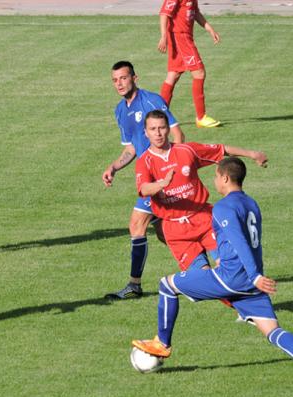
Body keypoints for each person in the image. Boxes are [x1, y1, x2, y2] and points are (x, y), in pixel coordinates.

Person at [132, 157, 293, 382]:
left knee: (167, 285)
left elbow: (239, 241)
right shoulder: (251, 203)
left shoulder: (222, 207)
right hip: (249, 284)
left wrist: (254, 275)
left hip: (231, 277)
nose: (214, 181)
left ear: (225, 178)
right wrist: (254, 276)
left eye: (216, 176)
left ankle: (162, 344)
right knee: (272, 330)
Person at [135, 110, 267, 273]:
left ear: (168, 129)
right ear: (145, 132)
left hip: (204, 219)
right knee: (202, 277)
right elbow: (144, 189)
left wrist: (252, 154)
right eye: (153, 129)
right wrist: (162, 184)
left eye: (161, 128)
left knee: (230, 267)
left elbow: (221, 150)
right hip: (176, 230)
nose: (158, 133)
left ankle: (249, 287)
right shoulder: (144, 162)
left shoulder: (187, 150)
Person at [102, 61, 186, 300]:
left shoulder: (151, 101)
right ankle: (202, 269)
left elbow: (178, 134)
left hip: (161, 178)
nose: (119, 84)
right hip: (148, 177)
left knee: (137, 225)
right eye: (115, 80)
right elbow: (131, 148)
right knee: (165, 232)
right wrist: (114, 167)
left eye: (123, 78)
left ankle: (134, 285)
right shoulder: (120, 110)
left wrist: (174, 170)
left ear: (134, 78)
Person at [157, 0, 221, 128]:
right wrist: (163, 36)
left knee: (173, 75)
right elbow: (164, 14)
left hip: (184, 37)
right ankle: (201, 117)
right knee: (199, 73)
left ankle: (158, 116)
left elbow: (195, 12)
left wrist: (210, 29)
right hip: (180, 37)